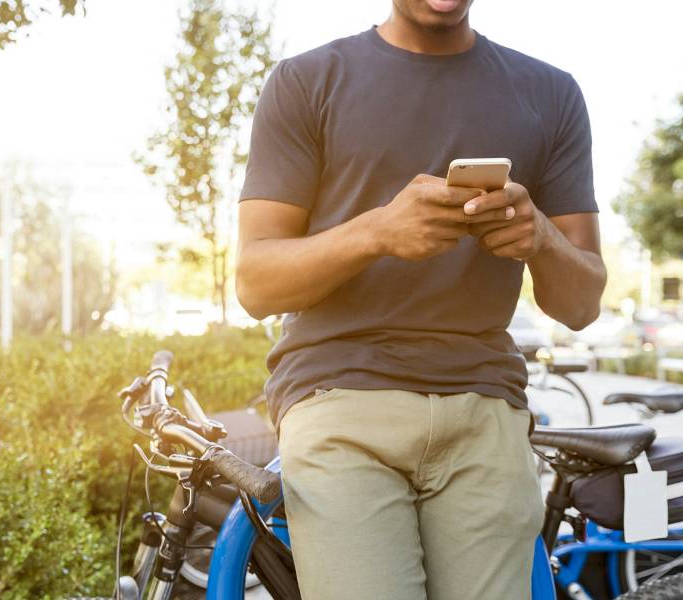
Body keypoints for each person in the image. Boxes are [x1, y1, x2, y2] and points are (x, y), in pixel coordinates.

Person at [235, 0, 607, 598]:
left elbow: (582, 304)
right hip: (340, 399)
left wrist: (539, 237)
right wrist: (376, 232)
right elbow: (255, 283)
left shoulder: (551, 92)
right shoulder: (306, 81)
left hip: (485, 408)